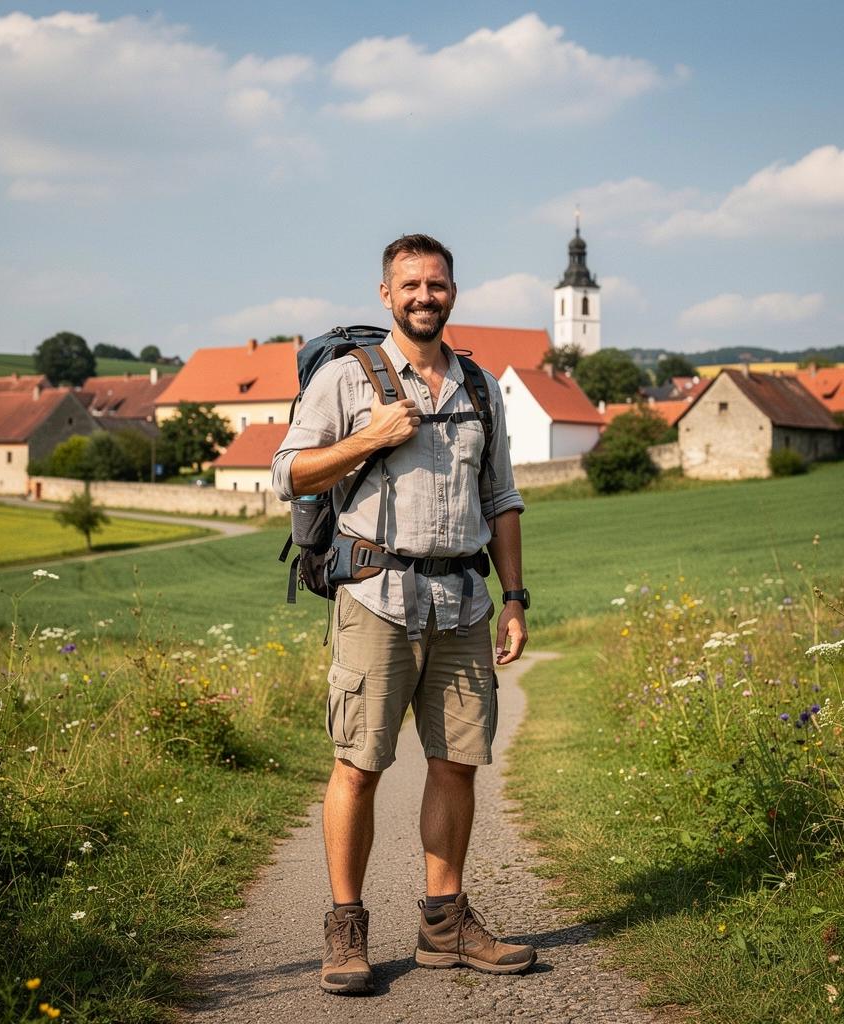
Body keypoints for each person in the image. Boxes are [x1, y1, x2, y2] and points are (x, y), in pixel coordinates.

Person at [271, 233, 533, 994]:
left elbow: (502, 498)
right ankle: (346, 928)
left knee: (457, 763)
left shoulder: (480, 387)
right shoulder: (346, 378)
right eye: (410, 284)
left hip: (463, 603)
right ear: (386, 294)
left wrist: (515, 598)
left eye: (437, 284)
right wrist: (368, 438)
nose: (425, 296)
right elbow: (288, 473)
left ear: (453, 292)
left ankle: (444, 926)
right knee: (359, 765)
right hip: (376, 600)